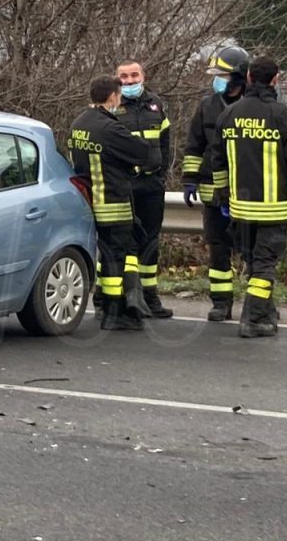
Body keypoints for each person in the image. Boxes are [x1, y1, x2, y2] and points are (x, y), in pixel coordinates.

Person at [212, 56, 287, 338]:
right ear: (276, 79)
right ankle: (253, 319)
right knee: (265, 265)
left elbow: (217, 163)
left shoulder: (229, 114)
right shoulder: (284, 116)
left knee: (254, 264)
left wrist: (222, 200)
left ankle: (266, 313)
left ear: (247, 79)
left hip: (240, 209)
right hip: (274, 210)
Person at [70, 75, 159, 331]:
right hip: (113, 202)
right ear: (112, 97)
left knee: (105, 256)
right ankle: (113, 312)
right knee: (115, 259)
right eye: (118, 96)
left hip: (88, 202)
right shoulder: (110, 128)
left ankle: (105, 305)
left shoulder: (80, 123)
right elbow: (143, 153)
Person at [181, 45, 249, 321]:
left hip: (247, 192)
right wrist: (189, 179)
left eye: (222, 74)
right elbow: (194, 145)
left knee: (254, 252)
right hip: (212, 192)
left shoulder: (254, 106)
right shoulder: (207, 106)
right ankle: (221, 303)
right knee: (219, 251)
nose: (217, 79)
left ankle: (261, 303)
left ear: (239, 77)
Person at [115, 60, 173, 318]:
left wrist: (160, 176)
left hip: (151, 185)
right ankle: (125, 298)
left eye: (134, 75)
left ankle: (151, 298)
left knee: (150, 241)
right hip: (124, 185)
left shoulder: (156, 104)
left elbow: (166, 142)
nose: (129, 81)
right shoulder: (113, 105)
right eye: (124, 76)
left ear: (143, 76)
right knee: (125, 243)